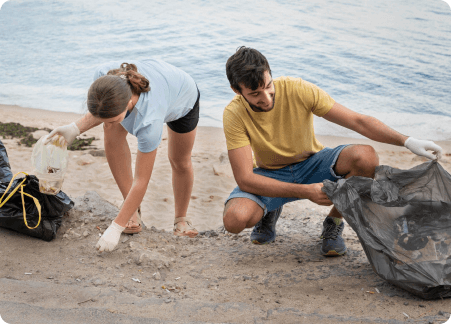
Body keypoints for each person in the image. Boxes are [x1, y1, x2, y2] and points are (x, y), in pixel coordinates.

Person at [222, 46, 443, 256]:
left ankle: (334, 222)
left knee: (366, 157)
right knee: (234, 220)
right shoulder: (234, 113)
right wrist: (306, 191)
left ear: (271, 73)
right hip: (270, 173)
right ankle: (270, 210)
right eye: (255, 94)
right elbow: (245, 179)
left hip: (312, 163)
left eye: (268, 86)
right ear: (237, 90)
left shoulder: (297, 89)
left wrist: (407, 141)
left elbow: (358, 122)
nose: (267, 98)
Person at [47, 59, 200, 252]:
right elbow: (103, 111)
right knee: (111, 127)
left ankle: (181, 220)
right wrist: (75, 128)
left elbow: (142, 180)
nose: (106, 122)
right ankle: (132, 211)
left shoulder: (149, 121)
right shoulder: (104, 77)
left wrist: (115, 227)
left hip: (182, 97)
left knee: (179, 161)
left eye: (113, 117)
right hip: (155, 83)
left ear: (128, 104)